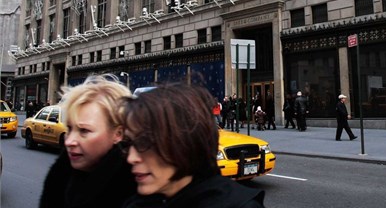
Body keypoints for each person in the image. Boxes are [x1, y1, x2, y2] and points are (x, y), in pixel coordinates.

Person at [120, 84, 265, 208]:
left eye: (144, 143)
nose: (131, 158)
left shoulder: (238, 204)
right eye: (128, 143)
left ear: (184, 142)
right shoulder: (135, 202)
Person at [39, 74, 136, 208]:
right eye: (69, 128)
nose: (69, 141)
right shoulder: (60, 178)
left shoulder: (137, 190)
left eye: (84, 130)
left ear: (118, 134)